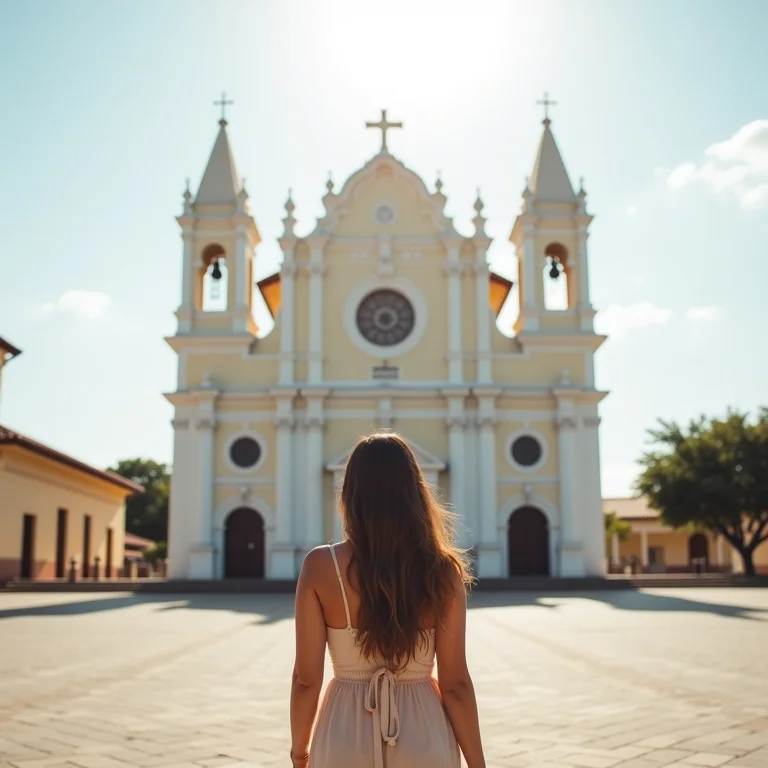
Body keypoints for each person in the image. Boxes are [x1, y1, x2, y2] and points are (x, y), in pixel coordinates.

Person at [289, 431, 485, 768]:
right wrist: (478, 764)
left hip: (342, 735)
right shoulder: (442, 570)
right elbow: (455, 684)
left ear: (349, 494)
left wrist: (299, 753)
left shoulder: (321, 566)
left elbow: (306, 679)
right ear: (414, 492)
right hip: (424, 733)